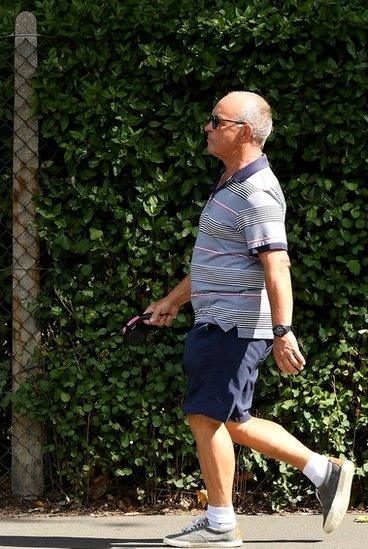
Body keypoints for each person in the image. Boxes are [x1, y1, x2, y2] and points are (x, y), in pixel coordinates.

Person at [145, 91, 355, 548]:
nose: (207, 127)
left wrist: (283, 331)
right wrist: (175, 300)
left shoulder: (257, 192)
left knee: (205, 417)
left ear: (242, 131)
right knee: (232, 418)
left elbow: (275, 264)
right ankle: (324, 472)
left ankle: (220, 524)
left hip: (233, 326)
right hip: (219, 319)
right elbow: (219, 259)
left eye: (215, 121)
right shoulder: (231, 182)